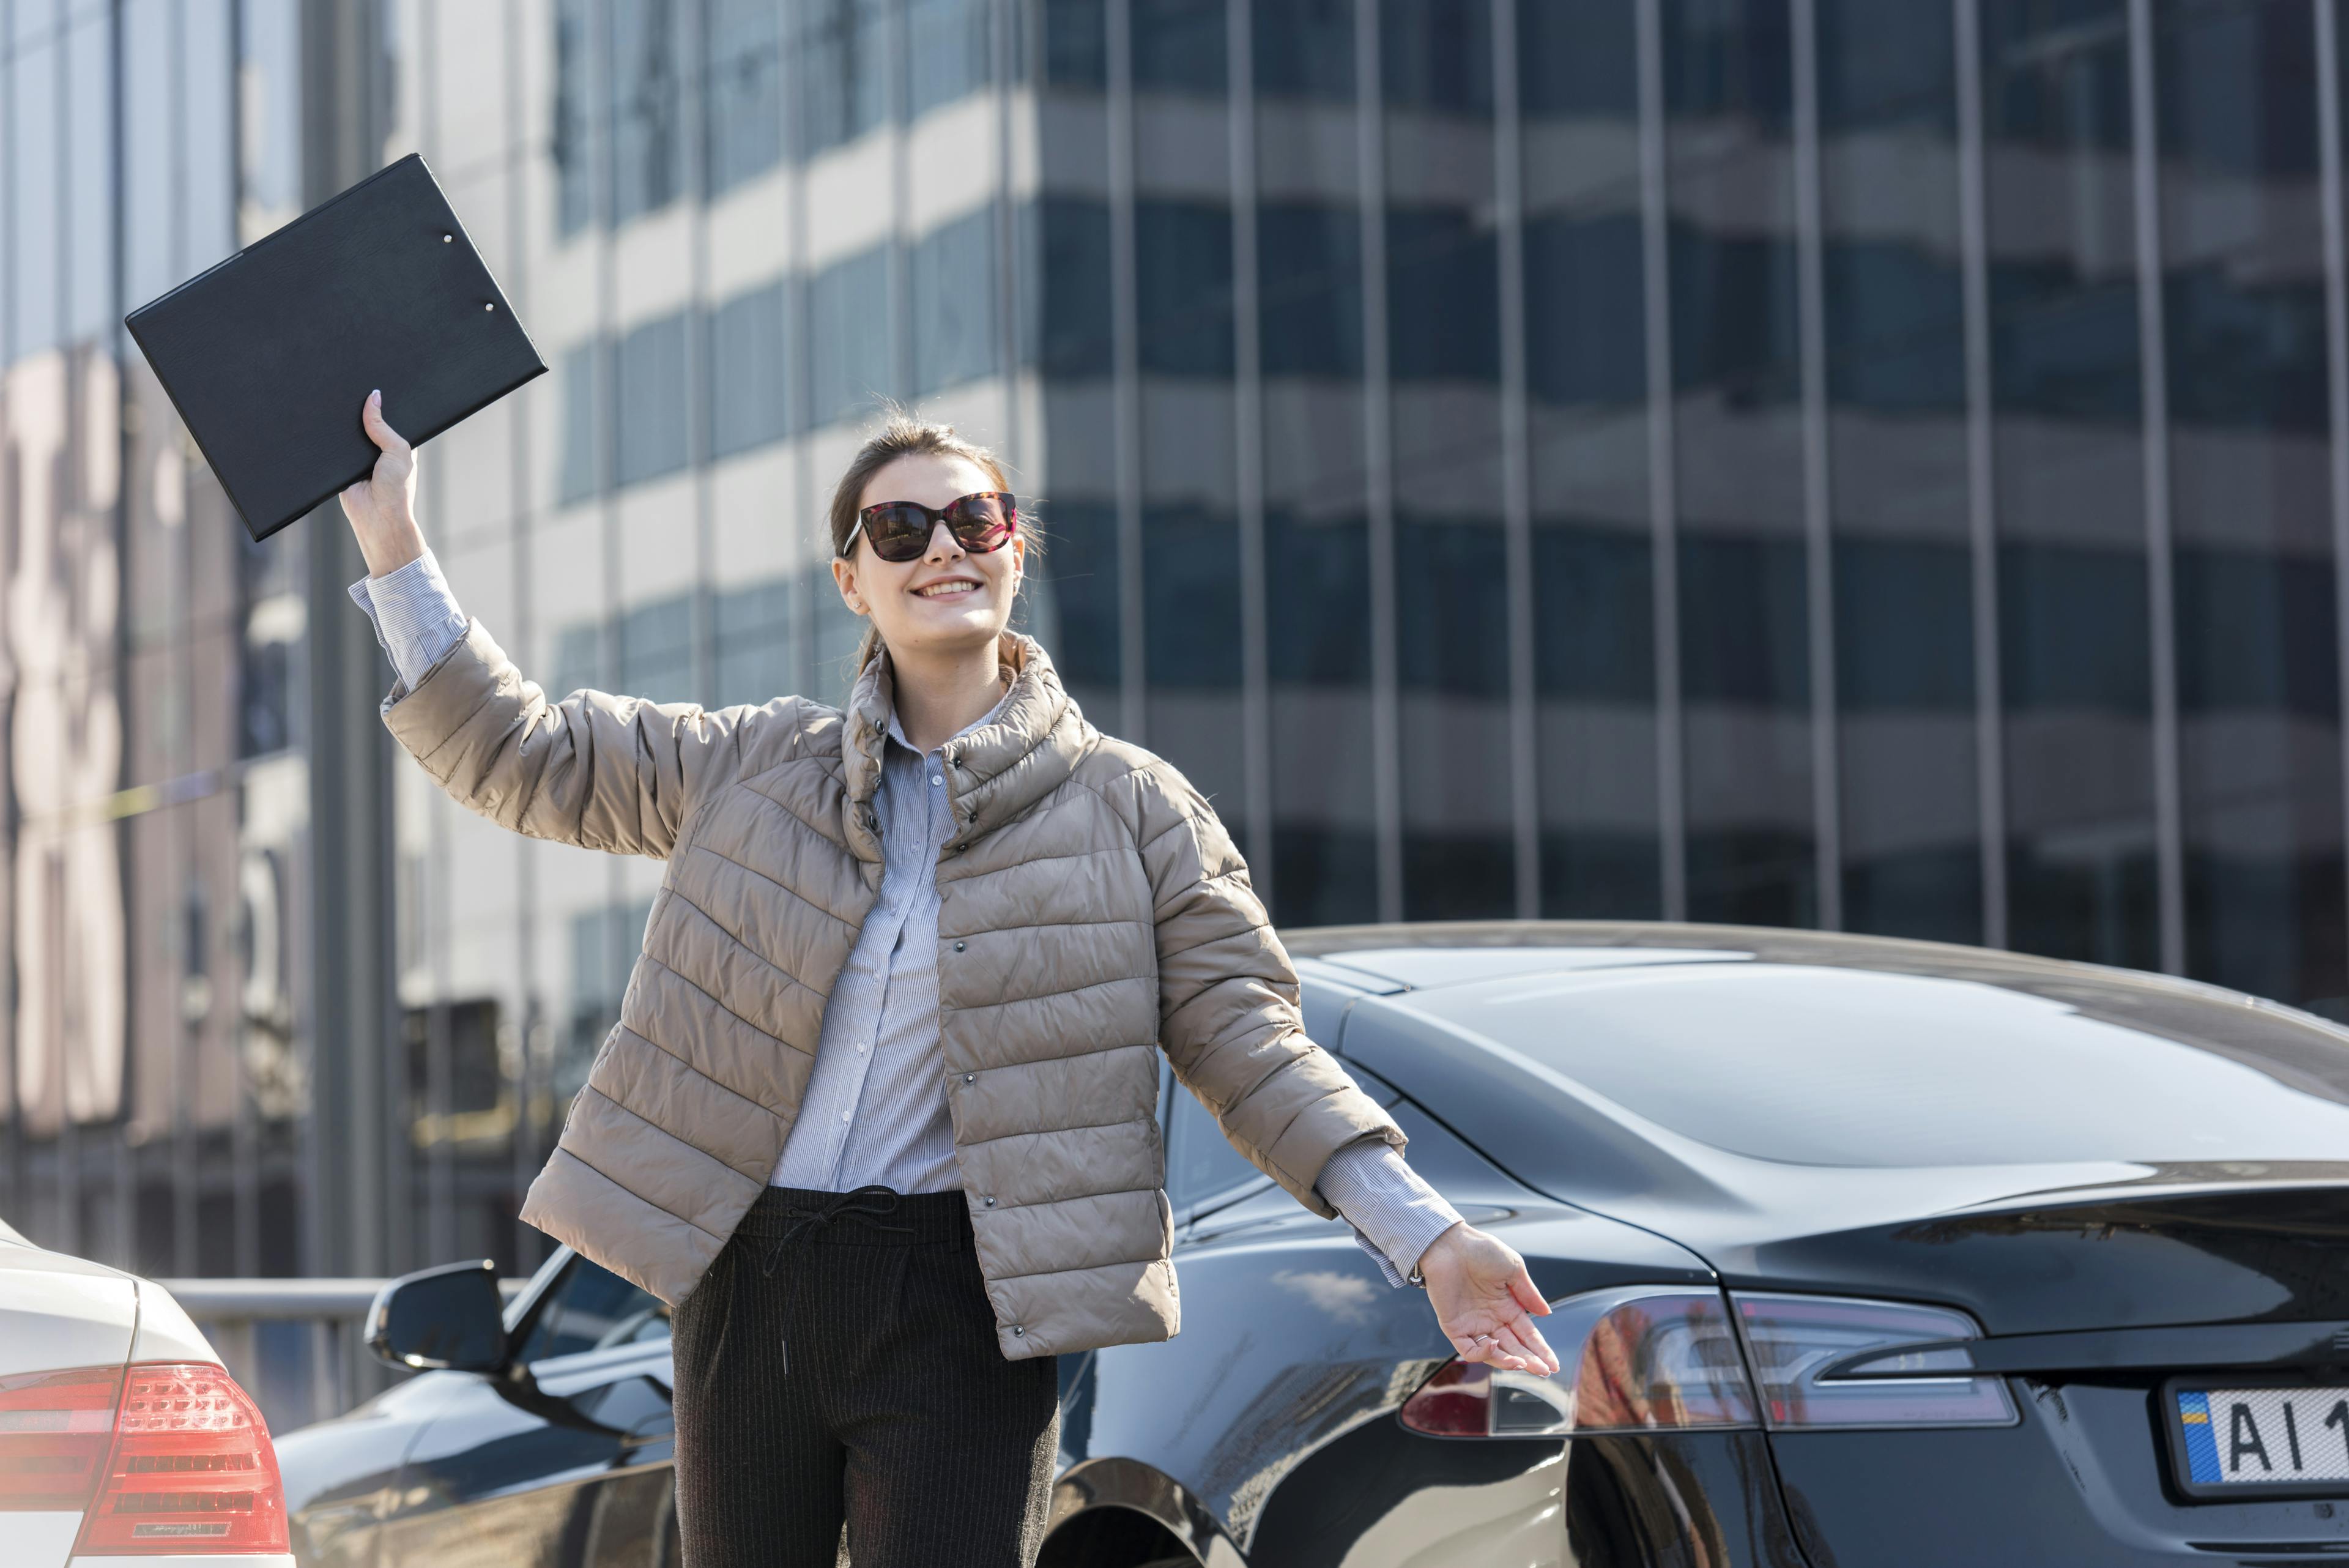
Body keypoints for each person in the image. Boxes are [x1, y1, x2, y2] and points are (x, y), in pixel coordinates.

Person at [335, 387, 1560, 1568]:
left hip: (963, 1299)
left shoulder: (1135, 811)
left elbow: (1250, 1043)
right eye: (899, 528)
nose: (943, 549)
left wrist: (1432, 1237)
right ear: (851, 580)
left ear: (1014, 550)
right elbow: (522, 754)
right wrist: (395, 542)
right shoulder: (753, 767)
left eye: (975, 520)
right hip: (746, 1283)